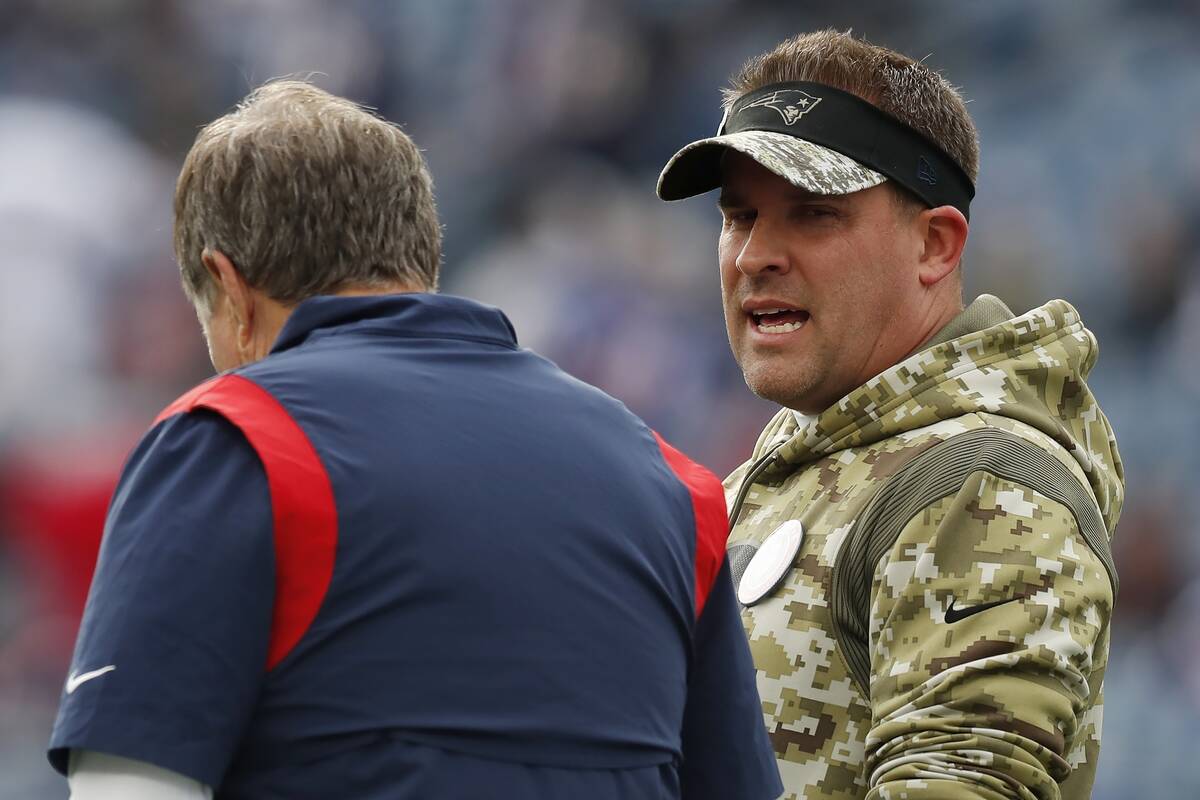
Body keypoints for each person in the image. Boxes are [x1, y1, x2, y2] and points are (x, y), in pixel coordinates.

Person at [48, 80, 783, 800]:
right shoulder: (673, 484)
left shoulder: (236, 440)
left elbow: (129, 785)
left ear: (230, 288)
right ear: (419, 260)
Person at [655, 30, 1123, 800]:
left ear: (935, 245)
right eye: (738, 216)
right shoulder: (802, 461)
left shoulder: (979, 484)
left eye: (811, 215)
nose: (752, 256)